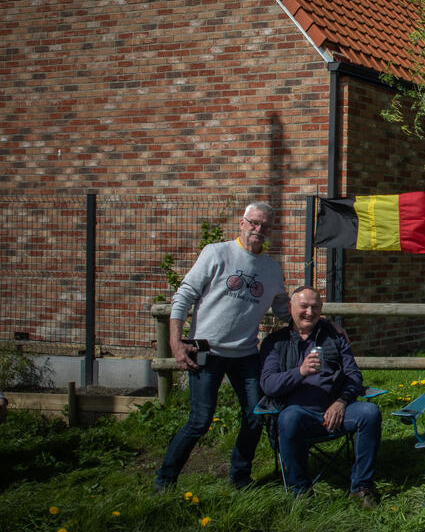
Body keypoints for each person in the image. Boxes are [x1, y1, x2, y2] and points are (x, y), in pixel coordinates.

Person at [154, 202, 289, 492]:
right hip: (206, 352)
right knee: (200, 420)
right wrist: (176, 342)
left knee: (255, 417)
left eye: (265, 226)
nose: (258, 229)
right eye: (253, 222)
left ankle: (240, 477)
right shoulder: (216, 253)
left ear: (271, 231)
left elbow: (284, 310)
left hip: (246, 355)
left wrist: (320, 322)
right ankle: (165, 480)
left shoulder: (272, 269)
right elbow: (184, 295)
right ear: (242, 223)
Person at [260, 286, 381, 506]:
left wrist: (341, 402)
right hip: (300, 415)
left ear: (321, 309)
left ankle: (361, 487)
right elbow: (268, 385)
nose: (309, 311)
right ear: (290, 307)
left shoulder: (334, 336)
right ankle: (301, 491)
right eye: (303, 306)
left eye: (315, 307)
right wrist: (301, 372)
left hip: (336, 412)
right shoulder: (276, 342)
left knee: (370, 412)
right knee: (288, 418)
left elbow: (353, 374)